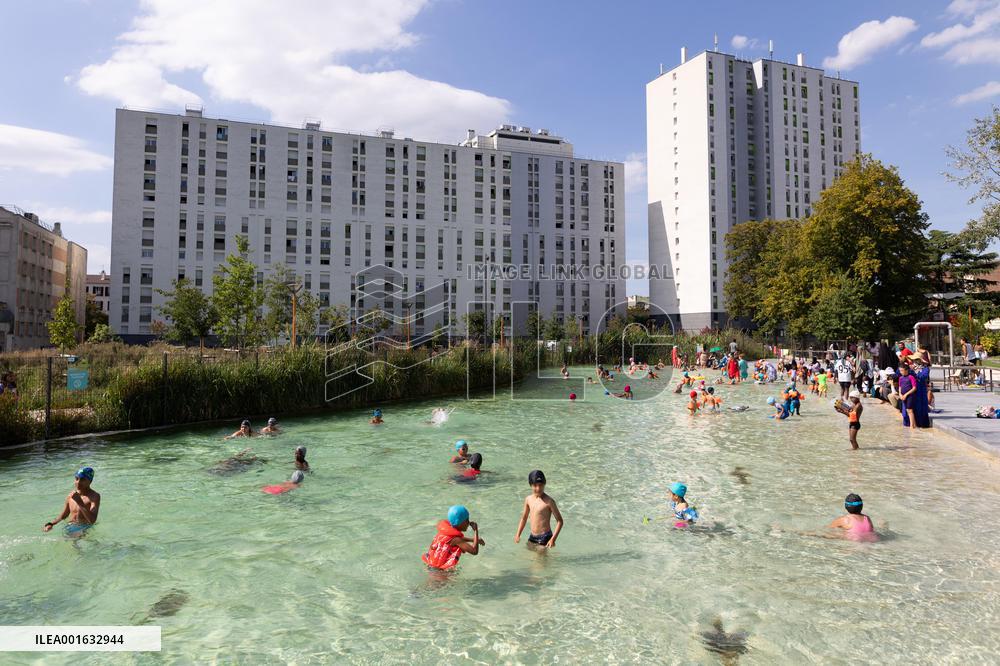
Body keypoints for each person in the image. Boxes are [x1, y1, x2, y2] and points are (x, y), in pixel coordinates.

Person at [422, 505, 484, 570]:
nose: (468, 523)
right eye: (467, 520)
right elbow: (474, 551)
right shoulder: (456, 540)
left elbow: (456, 540)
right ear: (459, 522)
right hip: (440, 573)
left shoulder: (444, 533)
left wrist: (473, 540)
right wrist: (475, 531)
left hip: (430, 566)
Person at [514, 470, 564, 548]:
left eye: (541, 485)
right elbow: (524, 518)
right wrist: (518, 534)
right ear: (530, 485)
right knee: (529, 558)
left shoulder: (549, 501)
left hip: (545, 537)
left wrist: (553, 539)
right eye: (535, 485)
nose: (538, 488)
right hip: (532, 536)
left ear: (544, 484)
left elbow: (560, 521)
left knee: (538, 559)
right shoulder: (528, 499)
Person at [43, 467, 100, 535]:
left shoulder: (94, 497)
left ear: (90, 481)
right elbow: (64, 514)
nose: (78, 482)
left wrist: (79, 502)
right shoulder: (71, 496)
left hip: (84, 527)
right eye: (76, 479)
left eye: (82, 480)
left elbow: (92, 520)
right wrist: (51, 524)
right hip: (70, 526)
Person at [898, 364, 918, 429]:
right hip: (903, 396)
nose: (901, 372)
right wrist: (900, 394)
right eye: (900, 371)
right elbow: (900, 387)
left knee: (910, 410)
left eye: (902, 370)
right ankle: (914, 425)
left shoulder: (911, 377)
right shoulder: (900, 378)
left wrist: (906, 394)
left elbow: (914, 388)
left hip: (910, 396)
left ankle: (911, 426)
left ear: (907, 370)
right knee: (907, 410)